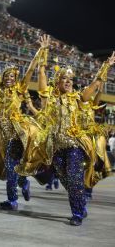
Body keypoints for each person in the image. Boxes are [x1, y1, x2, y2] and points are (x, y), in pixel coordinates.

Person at [34, 35, 115, 225]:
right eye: (64, 78)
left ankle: (77, 213)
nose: (68, 81)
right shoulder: (50, 98)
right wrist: (43, 53)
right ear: (58, 81)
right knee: (67, 181)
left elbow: (94, 85)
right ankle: (80, 205)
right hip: (56, 146)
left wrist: (106, 66)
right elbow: (42, 79)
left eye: (71, 79)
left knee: (73, 176)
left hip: (74, 145)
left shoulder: (78, 98)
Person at [0, 33, 48, 210]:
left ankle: (12, 200)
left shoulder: (20, 89)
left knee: (10, 165)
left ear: (16, 79)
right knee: (11, 165)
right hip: (0, 131)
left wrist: (40, 50)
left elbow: (31, 70)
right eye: (7, 75)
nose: (9, 78)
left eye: (12, 76)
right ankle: (24, 183)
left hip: (16, 131)